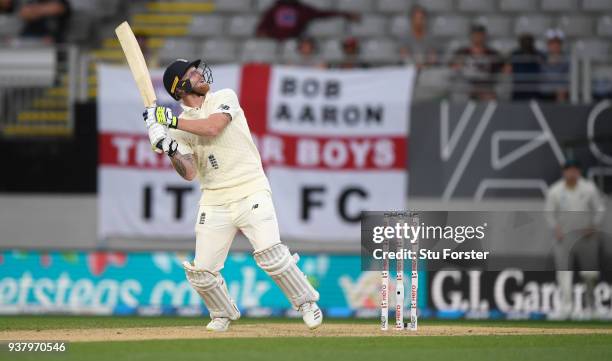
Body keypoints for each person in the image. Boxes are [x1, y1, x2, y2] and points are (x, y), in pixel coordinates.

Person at [141, 59, 322, 332]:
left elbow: (213, 128)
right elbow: (189, 172)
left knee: (271, 255)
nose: (201, 74)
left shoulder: (224, 97)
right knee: (201, 273)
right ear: (180, 88)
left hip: (250, 187)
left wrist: (170, 120)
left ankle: (307, 303)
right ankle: (222, 314)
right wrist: (168, 145)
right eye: (193, 73)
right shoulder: (177, 127)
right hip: (214, 198)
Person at [545, 160, 606, 319]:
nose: (571, 173)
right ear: (563, 172)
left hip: (587, 237)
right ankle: (566, 308)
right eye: (568, 170)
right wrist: (555, 228)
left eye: (574, 170)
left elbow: (600, 209)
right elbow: (549, 213)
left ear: (578, 172)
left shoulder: (589, 188)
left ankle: (592, 308)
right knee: (564, 273)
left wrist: (594, 225)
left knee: (590, 274)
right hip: (564, 238)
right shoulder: (555, 191)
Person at [256, 0, 358, 40]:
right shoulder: (274, 9)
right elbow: (261, 29)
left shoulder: (303, 9)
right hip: (276, 43)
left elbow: (323, 14)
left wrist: (345, 14)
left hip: (297, 44)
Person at [450, 24, 503, 100]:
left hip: (486, 87)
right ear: (471, 36)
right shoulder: (461, 52)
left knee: (490, 96)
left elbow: (501, 70)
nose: (478, 37)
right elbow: (453, 68)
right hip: (466, 86)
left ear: (484, 36)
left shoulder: (493, 54)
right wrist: (458, 66)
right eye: (475, 34)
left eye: (480, 34)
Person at [508, 33, 544, 101]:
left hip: (534, 89)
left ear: (532, 42)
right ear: (520, 43)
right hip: (518, 88)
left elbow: (544, 66)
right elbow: (508, 69)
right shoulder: (515, 54)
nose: (527, 43)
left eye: (528, 41)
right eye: (524, 41)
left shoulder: (538, 54)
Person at [540, 28, 570, 103]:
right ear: (548, 44)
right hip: (545, 91)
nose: (555, 45)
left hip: (561, 92)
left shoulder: (567, 59)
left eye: (557, 43)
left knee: (562, 91)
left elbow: (568, 78)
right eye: (552, 43)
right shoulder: (541, 58)